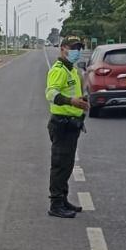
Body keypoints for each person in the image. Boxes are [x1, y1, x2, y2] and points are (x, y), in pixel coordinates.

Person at [45, 35, 88, 218]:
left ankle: (63, 199)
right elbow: (51, 93)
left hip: (72, 124)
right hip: (61, 123)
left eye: (78, 48)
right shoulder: (59, 70)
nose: (76, 51)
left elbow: (76, 92)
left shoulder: (72, 70)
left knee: (67, 165)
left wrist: (82, 102)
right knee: (60, 165)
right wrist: (71, 101)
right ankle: (55, 204)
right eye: (73, 48)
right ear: (63, 48)